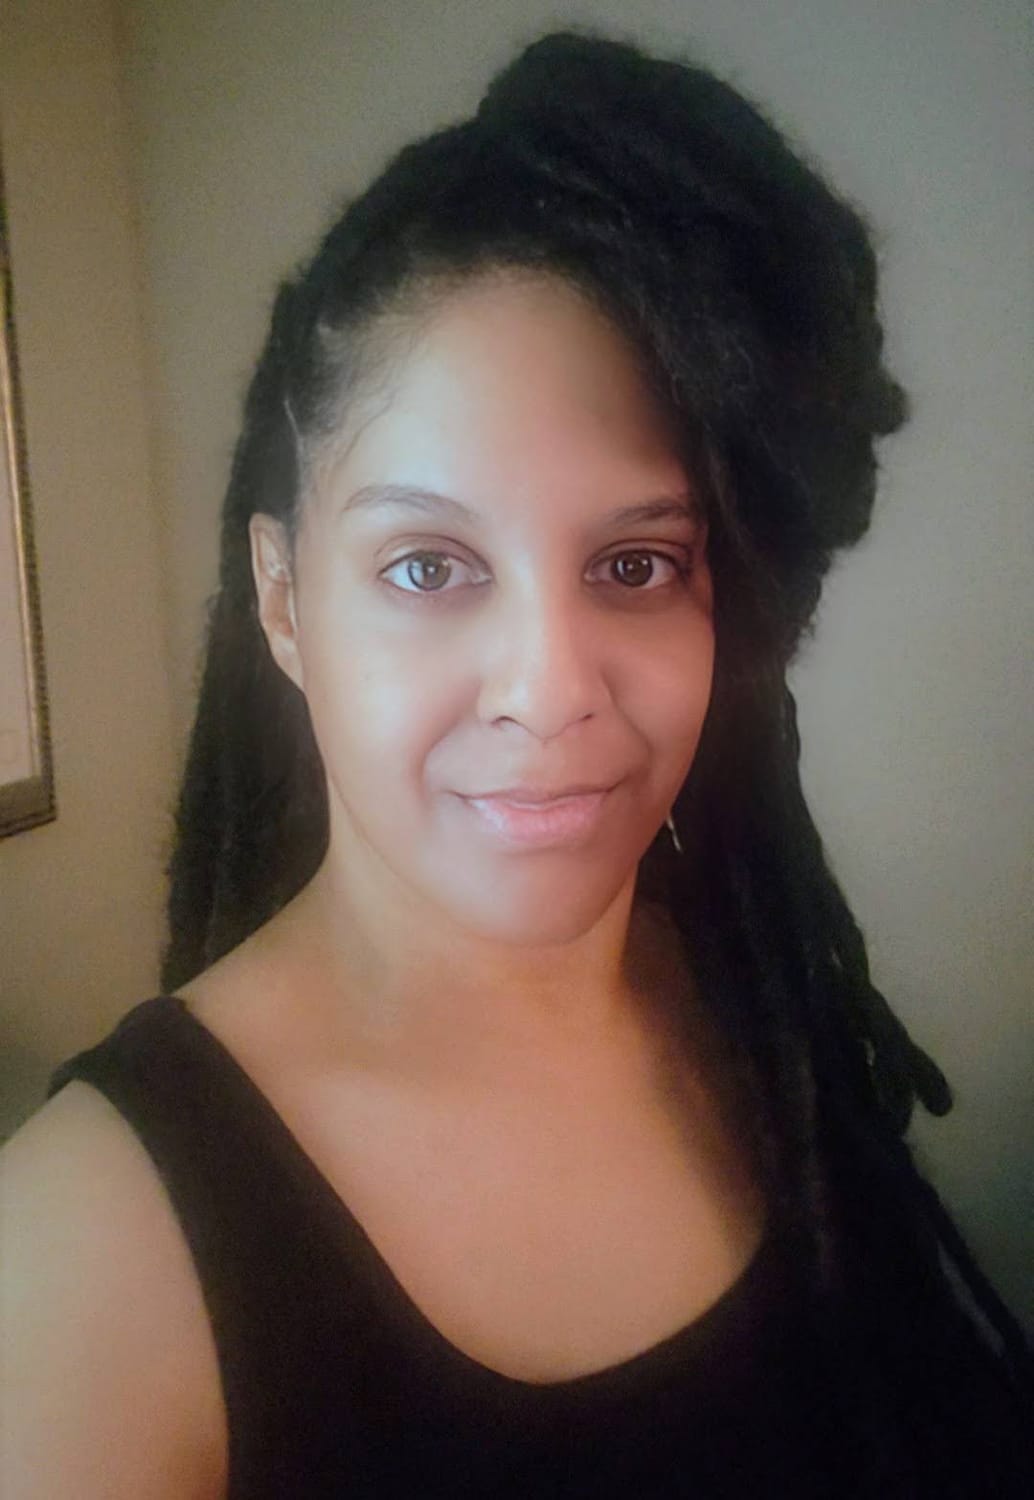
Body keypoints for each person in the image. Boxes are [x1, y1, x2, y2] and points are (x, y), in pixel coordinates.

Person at [2, 26, 1030, 1499]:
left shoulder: (747, 1010)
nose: (549, 692)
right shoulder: (80, 1264)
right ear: (284, 600)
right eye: (427, 566)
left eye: (635, 562)